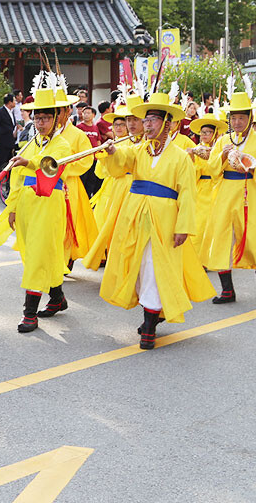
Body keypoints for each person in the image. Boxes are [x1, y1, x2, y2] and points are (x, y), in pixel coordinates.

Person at [99, 92, 215, 349]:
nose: (147, 125)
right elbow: (119, 167)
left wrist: (184, 227)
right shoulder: (138, 150)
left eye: (153, 120)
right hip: (134, 216)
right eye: (146, 120)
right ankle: (152, 314)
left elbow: (187, 194)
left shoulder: (181, 157)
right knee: (138, 267)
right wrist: (112, 151)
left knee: (154, 268)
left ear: (167, 124)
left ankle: (149, 325)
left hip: (164, 221)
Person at [0, 78, 73, 332]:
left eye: (45, 118)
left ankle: (29, 314)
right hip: (26, 204)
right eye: (37, 118)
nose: (40, 123)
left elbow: (50, 165)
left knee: (37, 254)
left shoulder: (63, 143)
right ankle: (57, 298)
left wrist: (28, 163)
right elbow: (16, 178)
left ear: (57, 119)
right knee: (36, 254)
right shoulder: (30, 142)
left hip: (49, 204)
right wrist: (12, 207)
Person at [199, 91, 256, 303]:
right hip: (226, 191)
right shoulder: (223, 141)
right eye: (233, 118)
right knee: (222, 237)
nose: (237, 122)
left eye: (241, 118)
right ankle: (227, 289)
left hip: (252, 192)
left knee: (254, 238)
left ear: (250, 118)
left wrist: (253, 169)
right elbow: (212, 168)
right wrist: (223, 156)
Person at [84, 96, 144, 270]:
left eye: (134, 120)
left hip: (135, 188)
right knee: (111, 226)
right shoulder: (117, 143)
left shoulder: (141, 143)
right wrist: (107, 156)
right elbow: (101, 173)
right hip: (115, 188)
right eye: (126, 121)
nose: (124, 126)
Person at [55, 91, 100, 267]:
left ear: (67, 111)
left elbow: (87, 159)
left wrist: (65, 169)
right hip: (48, 184)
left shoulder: (78, 134)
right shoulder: (46, 134)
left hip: (69, 184)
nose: (55, 115)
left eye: (58, 111)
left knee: (68, 221)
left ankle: (67, 258)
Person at [186, 111, 227, 254]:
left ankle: (213, 255)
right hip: (201, 189)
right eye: (202, 132)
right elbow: (192, 173)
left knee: (216, 224)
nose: (204, 135)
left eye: (208, 132)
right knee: (200, 223)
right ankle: (198, 257)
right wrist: (191, 159)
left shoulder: (220, 150)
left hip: (217, 188)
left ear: (215, 133)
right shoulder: (196, 149)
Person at [0, 94, 17, 174]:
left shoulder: (11, 112)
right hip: (1, 143)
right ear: (10, 102)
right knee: (0, 165)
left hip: (10, 143)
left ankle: (8, 184)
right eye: (14, 100)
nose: (15, 102)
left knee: (9, 165)